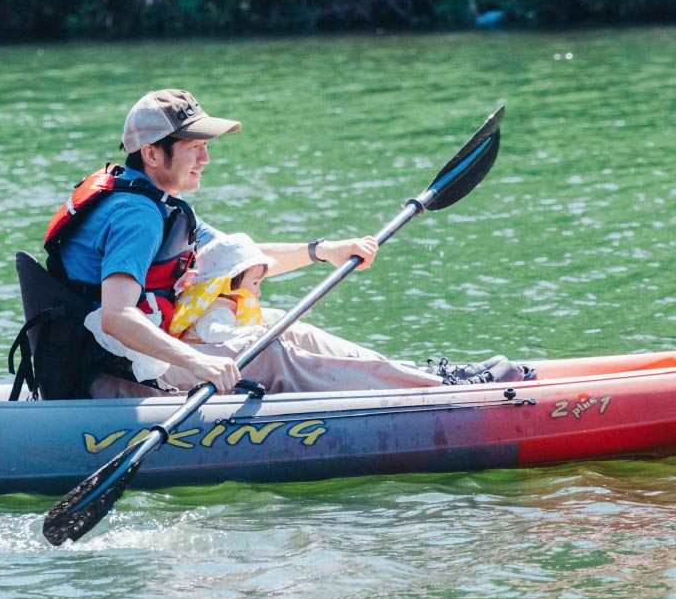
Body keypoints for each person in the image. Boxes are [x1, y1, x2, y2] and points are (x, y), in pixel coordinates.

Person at [47, 88, 533, 399]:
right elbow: (116, 316)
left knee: (280, 324)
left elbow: (241, 259)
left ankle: (427, 382)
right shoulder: (135, 216)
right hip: (115, 383)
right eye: (195, 147)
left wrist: (324, 250)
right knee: (272, 351)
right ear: (153, 153)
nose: (206, 158)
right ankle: (438, 395)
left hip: (138, 361)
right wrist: (200, 362)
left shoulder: (155, 199)